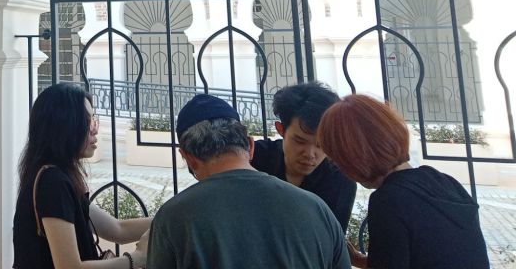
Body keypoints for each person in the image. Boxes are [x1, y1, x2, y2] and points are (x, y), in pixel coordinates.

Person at [147, 93, 349, 269]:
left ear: (188, 157)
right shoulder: (318, 209)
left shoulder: (173, 218)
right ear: (250, 146)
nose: (310, 154)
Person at [317, 94, 489, 269]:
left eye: (338, 161)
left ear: (354, 156)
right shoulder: (444, 181)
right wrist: (358, 259)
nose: (342, 171)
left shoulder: (388, 200)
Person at [13, 82, 151, 269]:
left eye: (94, 120)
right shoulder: (52, 182)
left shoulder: (58, 177)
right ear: (64, 127)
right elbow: (69, 266)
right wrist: (135, 259)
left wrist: (172, 219)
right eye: (87, 122)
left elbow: (118, 229)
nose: (95, 129)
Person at [251, 82, 357, 231]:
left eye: (321, 144)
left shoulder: (340, 180)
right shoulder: (253, 158)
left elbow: (332, 239)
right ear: (281, 130)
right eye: (300, 141)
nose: (309, 154)